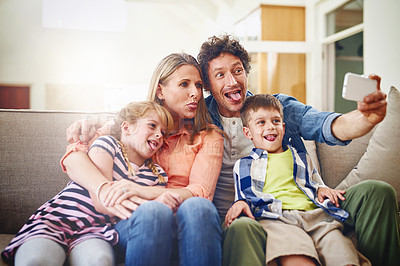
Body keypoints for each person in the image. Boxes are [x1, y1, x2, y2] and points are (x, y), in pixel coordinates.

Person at [196, 34, 399, 266]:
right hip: (253, 214)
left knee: (378, 191)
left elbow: (325, 124)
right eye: (220, 75)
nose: (232, 82)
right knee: (243, 226)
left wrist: (366, 119)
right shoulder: (198, 118)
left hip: (307, 206)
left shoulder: (275, 107)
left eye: (238, 70)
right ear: (209, 85)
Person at [63, 53, 224, 266]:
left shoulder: (209, 135)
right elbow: (75, 154)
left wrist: (145, 191)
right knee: (153, 211)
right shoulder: (134, 126)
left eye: (198, 86)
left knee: (198, 207)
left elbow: (201, 192)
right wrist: (102, 187)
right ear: (160, 90)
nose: (195, 93)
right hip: (136, 224)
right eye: (184, 84)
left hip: (190, 224)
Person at [1, 101, 178, 266]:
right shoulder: (107, 145)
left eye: (163, 132)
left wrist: (157, 203)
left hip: (96, 232)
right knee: (37, 260)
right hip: (59, 219)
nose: (159, 135)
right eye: (152, 126)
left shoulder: (158, 175)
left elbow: (147, 215)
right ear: (127, 127)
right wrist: (151, 200)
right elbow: (101, 200)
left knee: (99, 260)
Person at [225, 94, 368, 266]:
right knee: (300, 261)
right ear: (247, 132)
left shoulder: (300, 157)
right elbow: (244, 196)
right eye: (261, 122)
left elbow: (315, 183)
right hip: (278, 220)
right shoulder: (244, 165)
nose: (270, 127)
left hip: (316, 218)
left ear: (283, 127)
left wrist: (322, 189)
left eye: (276, 121)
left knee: (344, 258)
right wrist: (239, 203)